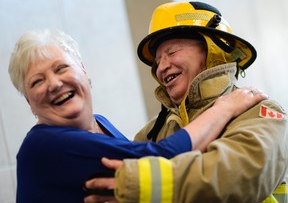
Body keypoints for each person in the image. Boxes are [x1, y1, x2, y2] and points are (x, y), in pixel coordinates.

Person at [7, 29, 265, 203]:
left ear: (84, 71)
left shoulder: (102, 124)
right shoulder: (42, 146)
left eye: (61, 68)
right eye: (37, 82)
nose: (53, 84)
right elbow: (159, 160)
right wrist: (225, 108)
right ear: (30, 102)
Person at [84, 1, 288, 203]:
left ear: (212, 52)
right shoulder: (151, 132)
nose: (161, 67)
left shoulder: (261, 112)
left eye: (172, 52)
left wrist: (137, 185)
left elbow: (237, 176)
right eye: (157, 61)